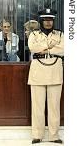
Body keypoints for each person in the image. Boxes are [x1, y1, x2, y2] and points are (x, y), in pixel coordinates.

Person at [28, 8, 64, 144]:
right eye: (45, 20)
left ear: (53, 21)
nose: (48, 22)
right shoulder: (34, 34)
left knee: (54, 107)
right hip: (37, 72)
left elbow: (63, 49)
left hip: (55, 72)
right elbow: (33, 47)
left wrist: (43, 47)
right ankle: (37, 135)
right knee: (37, 107)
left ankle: (54, 136)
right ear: (41, 21)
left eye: (50, 20)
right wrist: (50, 45)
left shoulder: (61, 34)